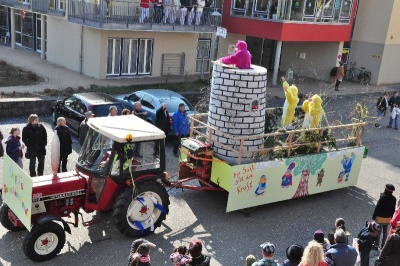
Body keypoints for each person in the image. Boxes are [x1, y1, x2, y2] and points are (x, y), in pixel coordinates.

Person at [372, 184, 397, 250]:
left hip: (380, 218)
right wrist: (391, 217)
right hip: (388, 218)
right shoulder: (394, 199)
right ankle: (383, 245)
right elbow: (393, 209)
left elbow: (377, 207)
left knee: (378, 231)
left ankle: (376, 245)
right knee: (385, 231)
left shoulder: (383, 197)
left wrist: (374, 216)